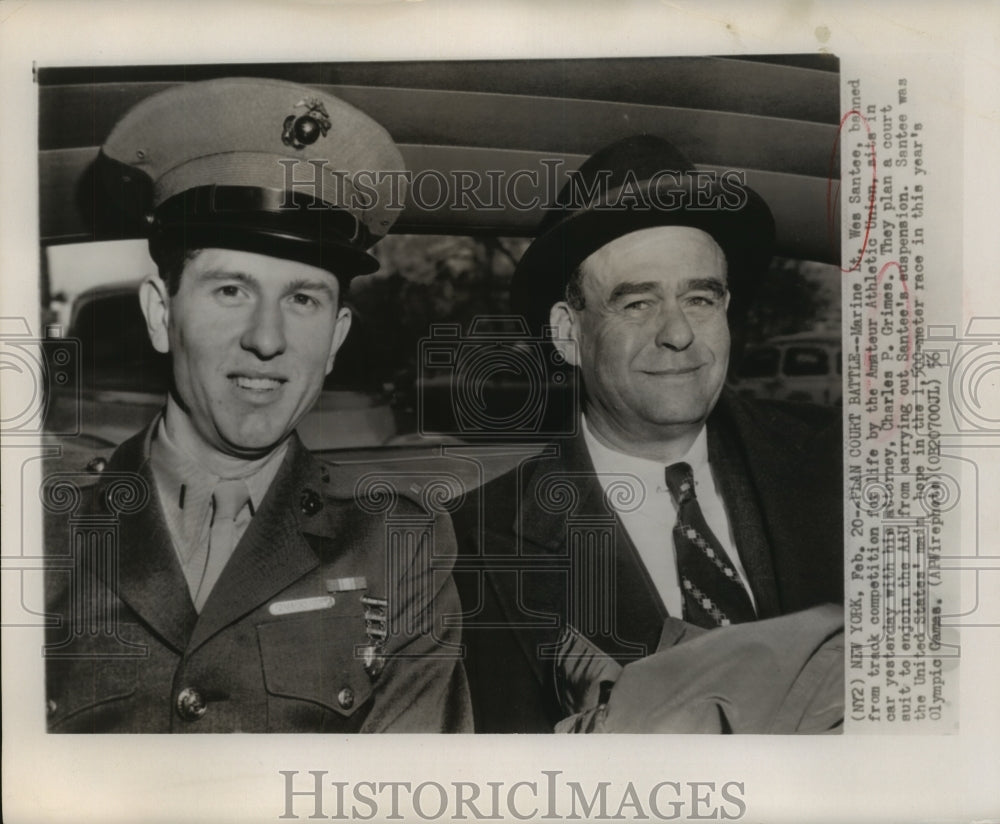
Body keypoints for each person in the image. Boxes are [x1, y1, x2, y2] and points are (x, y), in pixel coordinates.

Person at [43, 78, 471, 733]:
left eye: (303, 299)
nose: (267, 339)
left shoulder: (398, 545)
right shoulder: (39, 527)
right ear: (162, 315)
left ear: (336, 338)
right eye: (231, 291)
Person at [451, 134, 843, 732]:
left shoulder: (843, 465)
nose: (679, 332)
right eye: (637, 304)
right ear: (566, 334)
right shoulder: (472, 546)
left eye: (701, 298)